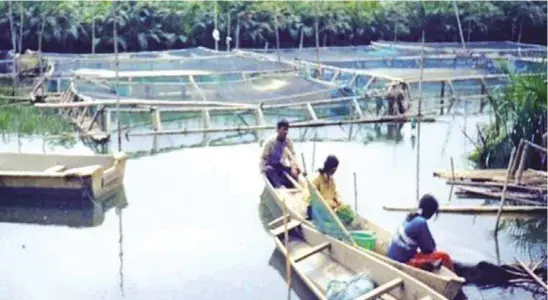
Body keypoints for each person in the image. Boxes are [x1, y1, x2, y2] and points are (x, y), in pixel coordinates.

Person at [387, 194, 455, 272]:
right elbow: (428, 249)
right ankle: (454, 278)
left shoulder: (411, 216)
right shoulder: (421, 222)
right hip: (403, 261)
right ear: (431, 212)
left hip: (392, 256)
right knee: (444, 256)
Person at [259, 119, 300, 188]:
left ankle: (290, 185)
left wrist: (293, 167)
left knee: (297, 170)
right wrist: (263, 170)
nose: (285, 132)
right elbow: (263, 158)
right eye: (283, 129)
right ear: (278, 130)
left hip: (280, 165)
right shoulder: (270, 142)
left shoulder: (288, 141)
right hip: (270, 166)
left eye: (287, 130)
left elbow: (292, 156)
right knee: (269, 170)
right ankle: (279, 186)